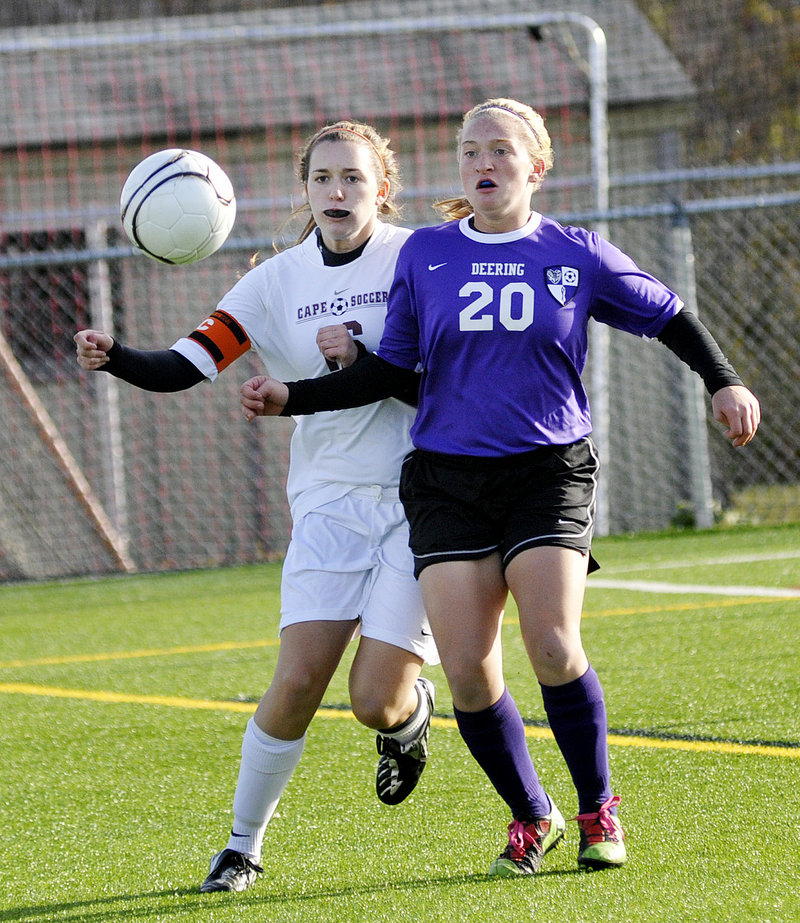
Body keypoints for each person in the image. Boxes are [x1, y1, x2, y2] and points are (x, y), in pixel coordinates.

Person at [239, 98, 761, 877]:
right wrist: (297, 393)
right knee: (468, 670)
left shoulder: (574, 254)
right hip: (447, 479)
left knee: (551, 644)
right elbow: (396, 374)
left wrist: (722, 381)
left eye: (501, 151)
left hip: (546, 472)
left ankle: (597, 810)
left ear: (535, 167)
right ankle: (531, 814)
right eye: (469, 151)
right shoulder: (428, 256)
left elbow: (669, 314)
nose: (483, 163)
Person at [74, 120, 438, 893]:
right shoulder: (276, 281)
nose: (338, 192)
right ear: (305, 189)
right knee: (298, 681)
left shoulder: (419, 259)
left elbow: (451, 382)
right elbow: (188, 362)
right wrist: (118, 359)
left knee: (373, 699)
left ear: (383, 188)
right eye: (323, 179)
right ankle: (241, 845)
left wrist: (363, 361)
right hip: (330, 506)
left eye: (354, 178)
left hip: (424, 500)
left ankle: (407, 719)